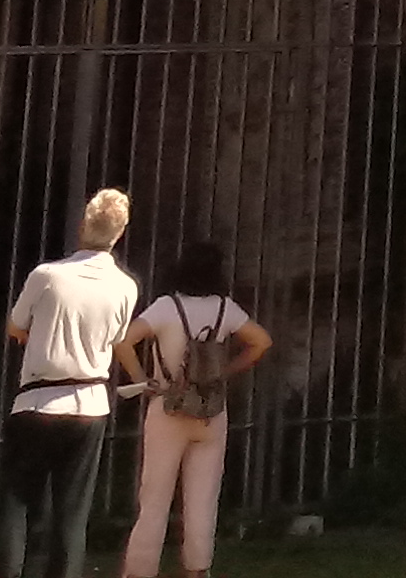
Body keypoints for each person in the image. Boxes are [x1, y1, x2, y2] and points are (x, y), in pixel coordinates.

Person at [0, 188, 140, 578]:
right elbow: (114, 338)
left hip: (38, 401)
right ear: (120, 233)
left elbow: (15, 325)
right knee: (72, 513)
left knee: (18, 503)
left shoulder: (47, 276)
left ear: (82, 226)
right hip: (90, 404)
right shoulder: (127, 287)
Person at [116, 240, 271, 578]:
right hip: (211, 409)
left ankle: (140, 570)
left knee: (154, 497)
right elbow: (261, 341)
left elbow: (124, 341)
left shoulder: (166, 307)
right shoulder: (225, 309)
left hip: (168, 406)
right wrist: (226, 371)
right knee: (203, 498)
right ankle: (197, 569)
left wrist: (142, 380)